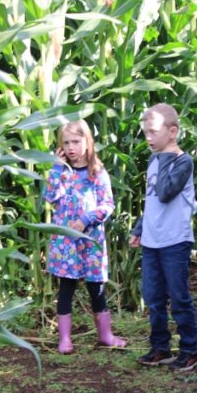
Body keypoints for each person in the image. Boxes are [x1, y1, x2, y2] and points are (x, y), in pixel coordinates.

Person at [130, 103, 197, 372]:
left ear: (172, 132)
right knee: (153, 297)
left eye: (152, 132)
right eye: (145, 132)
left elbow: (164, 192)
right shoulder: (154, 159)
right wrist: (139, 228)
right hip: (152, 240)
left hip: (174, 241)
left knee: (178, 296)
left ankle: (190, 350)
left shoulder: (183, 162)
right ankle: (160, 347)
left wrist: (164, 158)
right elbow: (151, 201)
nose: (147, 138)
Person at [44, 119, 127, 354]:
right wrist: (57, 168)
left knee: (96, 287)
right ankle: (65, 339)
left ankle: (105, 335)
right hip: (66, 242)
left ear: (87, 143)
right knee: (66, 287)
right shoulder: (61, 172)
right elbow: (50, 196)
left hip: (91, 242)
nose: (71, 147)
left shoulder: (97, 172)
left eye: (76, 142)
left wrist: (86, 219)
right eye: (66, 142)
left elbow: (107, 205)